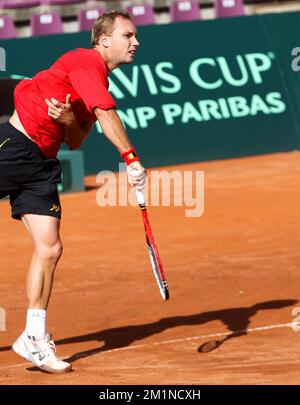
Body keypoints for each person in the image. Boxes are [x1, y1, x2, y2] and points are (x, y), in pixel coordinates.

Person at [0, 11, 146, 373]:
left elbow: (77, 140)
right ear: (104, 40)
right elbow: (105, 112)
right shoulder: (85, 61)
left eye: (135, 35)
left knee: (50, 248)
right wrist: (131, 159)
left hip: (41, 166)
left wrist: (67, 121)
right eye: (128, 35)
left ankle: (33, 337)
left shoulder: (99, 81)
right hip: (12, 148)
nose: (136, 42)